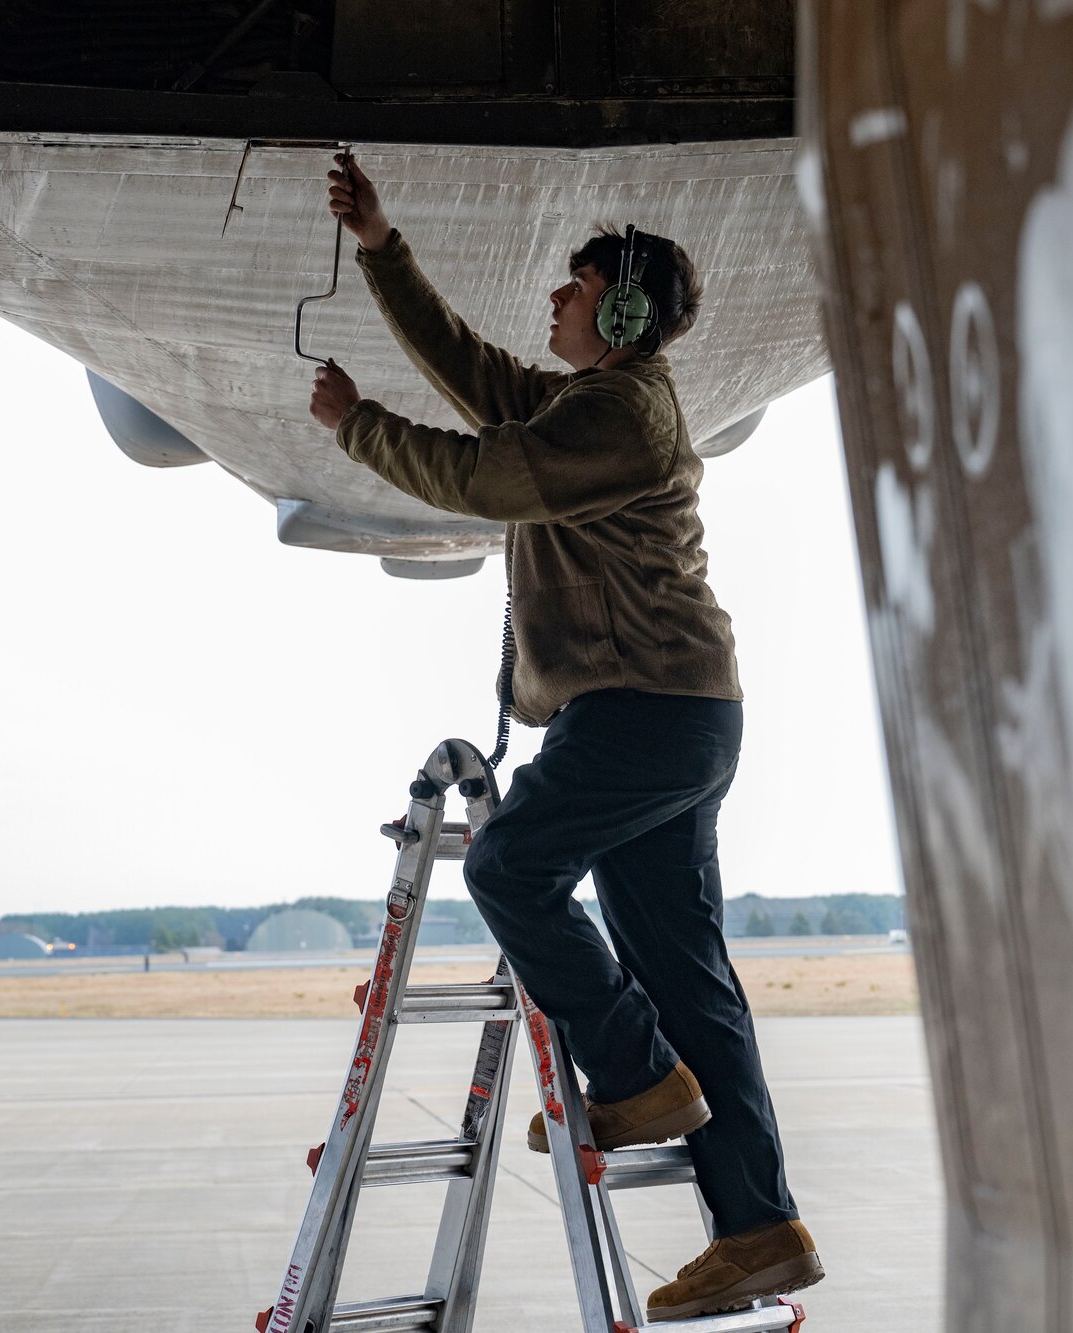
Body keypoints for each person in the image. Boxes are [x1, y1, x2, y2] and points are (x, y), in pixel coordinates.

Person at [307, 153, 824, 1320]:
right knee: (691, 982)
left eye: (575, 285)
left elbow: (484, 478)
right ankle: (760, 1228)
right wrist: (382, 247)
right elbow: (476, 373)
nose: (553, 300)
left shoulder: (620, 416)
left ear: (624, 311)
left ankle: (633, 1078)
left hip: (642, 712)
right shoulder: (581, 404)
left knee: (507, 863)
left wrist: (355, 428)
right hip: (678, 715)